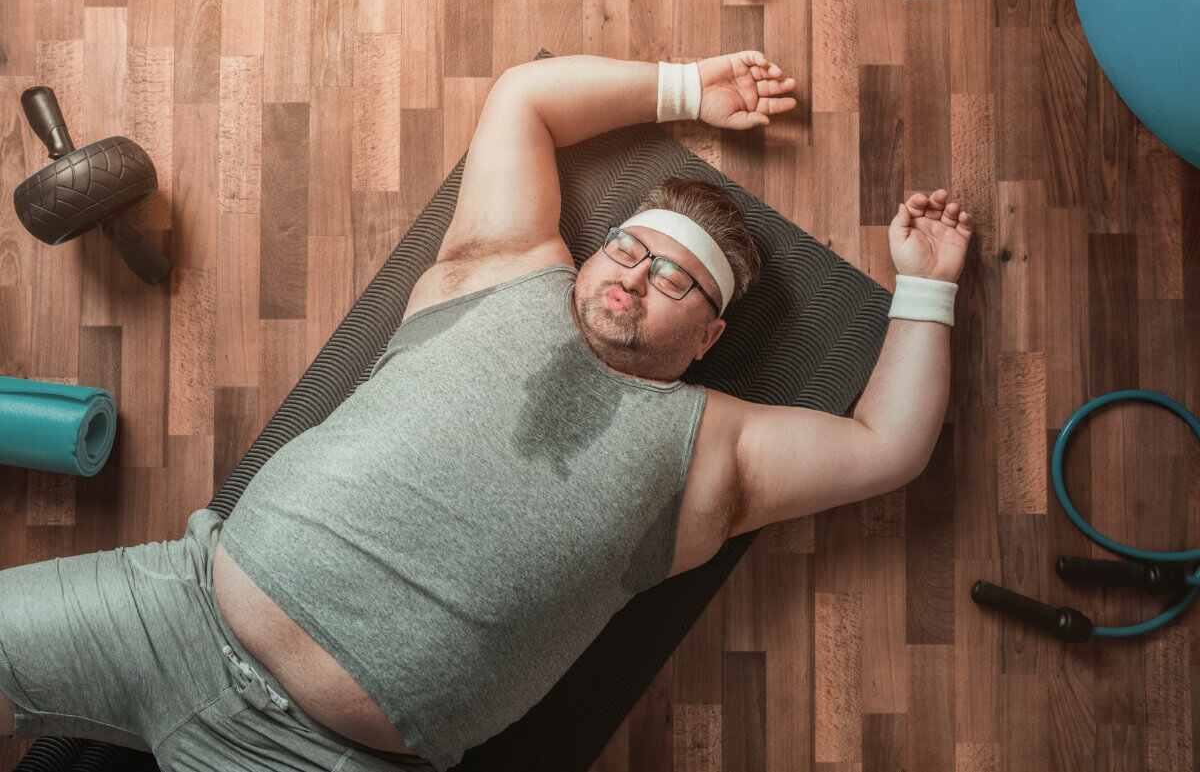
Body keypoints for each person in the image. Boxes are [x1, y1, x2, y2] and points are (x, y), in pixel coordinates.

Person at [0, 52, 973, 772]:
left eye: (676, 275)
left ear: (708, 336)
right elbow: (526, 98)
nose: (636, 271)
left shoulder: (719, 448)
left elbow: (886, 445)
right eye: (631, 246)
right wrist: (687, 90)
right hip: (172, 603)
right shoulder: (504, 262)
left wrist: (924, 288)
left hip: (310, 751)